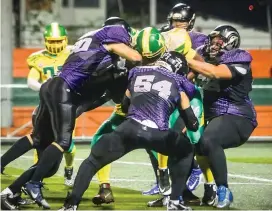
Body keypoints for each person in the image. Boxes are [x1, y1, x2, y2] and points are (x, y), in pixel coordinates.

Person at [1, 17, 142, 210]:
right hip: (62, 96)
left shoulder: (93, 48)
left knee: (48, 164)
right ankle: (33, 183)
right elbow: (133, 61)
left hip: (55, 94)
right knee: (63, 143)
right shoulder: (111, 49)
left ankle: (10, 193)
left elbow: (112, 93)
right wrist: (142, 61)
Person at [59, 26, 198, 211]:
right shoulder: (180, 82)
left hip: (129, 130)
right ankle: (174, 201)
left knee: (92, 161)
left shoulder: (136, 73)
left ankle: (70, 205)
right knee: (186, 149)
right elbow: (192, 124)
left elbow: (124, 105)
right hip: (157, 134)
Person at [187, 24, 257, 209]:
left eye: (220, 41)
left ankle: (224, 190)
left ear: (231, 42)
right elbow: (187, 78)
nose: (214, 44)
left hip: (238, 116)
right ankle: (195, 191)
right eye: (212, 40)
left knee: (209, 140)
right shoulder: (202, 54)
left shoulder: (239, 57)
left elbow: (215, 72)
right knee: (189, 143)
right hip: (214, 117)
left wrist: (187, 59)